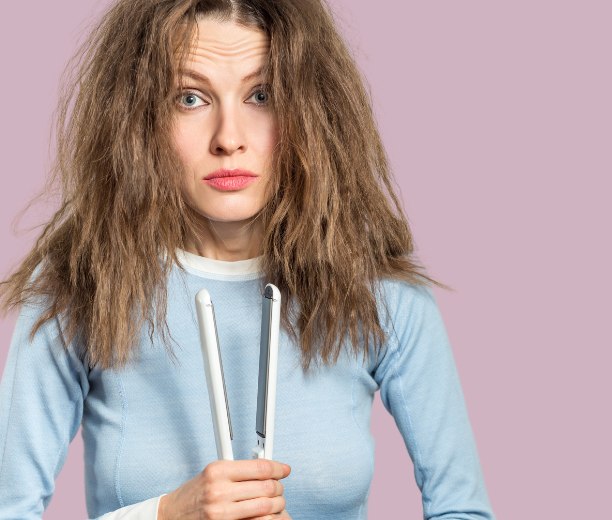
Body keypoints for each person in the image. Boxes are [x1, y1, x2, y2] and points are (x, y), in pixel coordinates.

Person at [0, 0, 494, 518]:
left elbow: (463, 510)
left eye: (262, 95)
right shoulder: (78, 285)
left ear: (311, 111)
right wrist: (166, 514)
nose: (229, 139)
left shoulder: (381, 293)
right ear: (138, 120)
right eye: (190, 99)